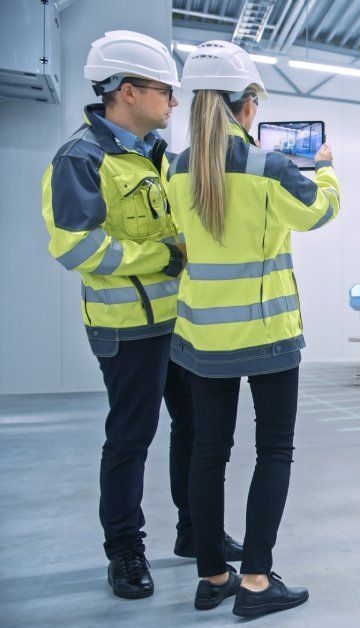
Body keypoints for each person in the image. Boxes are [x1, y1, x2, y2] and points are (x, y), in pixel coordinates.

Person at [40, 30, 241, 601]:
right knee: (131, 436)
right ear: (128, 92)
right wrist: (165, 257)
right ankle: (125, 551)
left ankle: (193, 531)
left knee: (196, 429)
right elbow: (76, 248)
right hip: (125, 327)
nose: (174, 103)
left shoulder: (157, 157)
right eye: (166, 92)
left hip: (178, 324)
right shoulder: (81, 159)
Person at [166, 40, 340, 617]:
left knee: (207, 452)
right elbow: (317, 211)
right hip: (267, 334)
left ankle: (213, 576)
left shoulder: (176, 167)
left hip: (201, 338)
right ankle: (257, 582)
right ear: (245, 104)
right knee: (274, 450)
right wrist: (328, 170)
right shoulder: (270, 165)